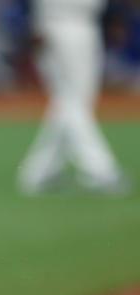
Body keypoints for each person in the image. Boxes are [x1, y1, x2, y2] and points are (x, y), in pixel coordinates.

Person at [17, 0, 130, 195]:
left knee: (71, 101)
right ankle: (99, 170)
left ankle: (41, 172)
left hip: (83, 24)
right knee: (74, 102)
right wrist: (30, 22)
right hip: (56, 24)